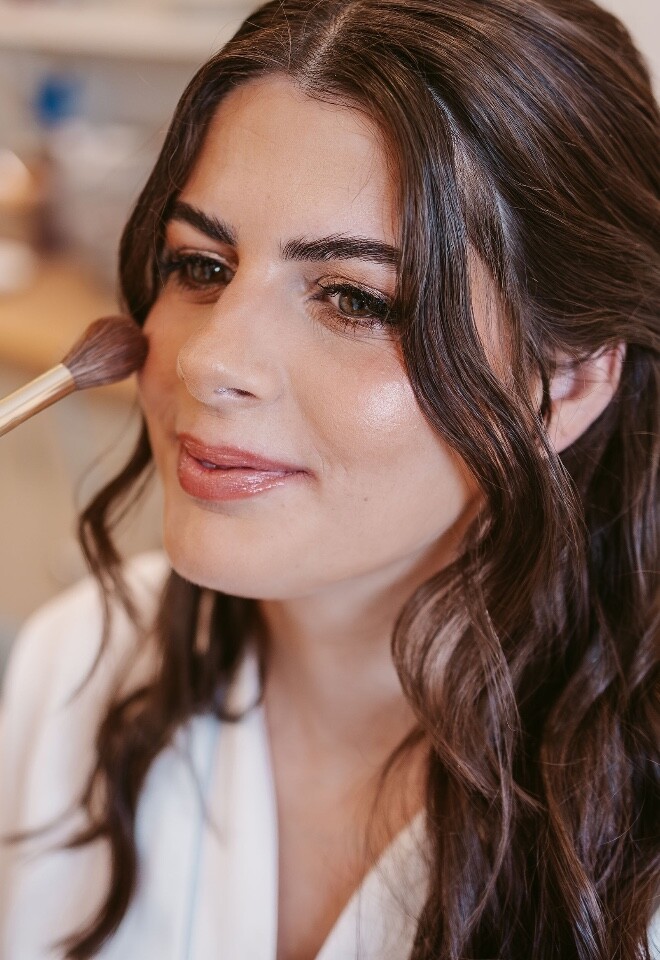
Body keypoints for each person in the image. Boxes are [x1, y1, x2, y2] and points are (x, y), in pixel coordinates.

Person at [0, 0, 658, 957]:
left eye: (354, 297)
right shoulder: (76, 667)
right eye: (200, 263)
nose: (206, 360)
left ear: (569, 379)